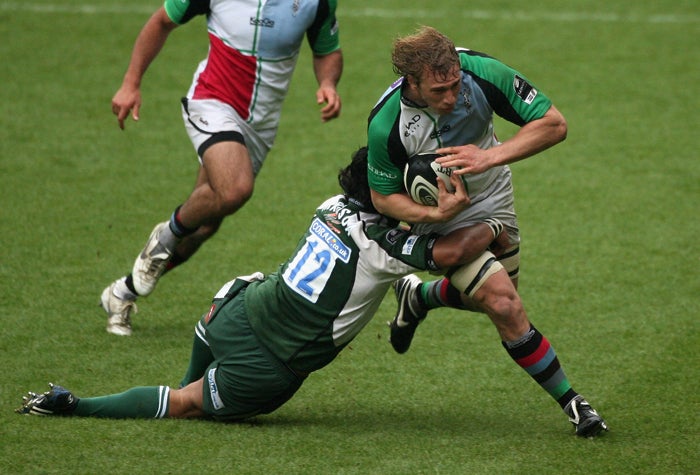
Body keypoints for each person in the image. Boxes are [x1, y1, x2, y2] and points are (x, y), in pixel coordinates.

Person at [17, 147, 512, 425]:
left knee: (240, 296)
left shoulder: (329, 204)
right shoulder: (385, 247)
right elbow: (447, 253)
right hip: (269, 366)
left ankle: (187, 377)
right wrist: (488, 225)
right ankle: (77, 405)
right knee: (185, 405)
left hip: (229, 310)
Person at [366, 26, 608, 437]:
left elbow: (553, 124)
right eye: (439, 90)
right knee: (504, 305)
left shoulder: (481, 73)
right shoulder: (386, 123)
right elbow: (383, 198)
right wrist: (433, 212)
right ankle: (575, 404)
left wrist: (489, 156)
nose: (451, 97)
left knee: (495, 296)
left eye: (455, 85)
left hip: (493, 193)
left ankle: (419, 296)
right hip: (441, 219)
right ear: (412, 82)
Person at [100, 0, 344, 336]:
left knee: (204, 225)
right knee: (234, 189)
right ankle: (167, 233)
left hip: (260, 125)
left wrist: (328, 83)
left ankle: (121, 293)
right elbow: (160, 23)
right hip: (213, 101)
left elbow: (327, 50)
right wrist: (131, 83)